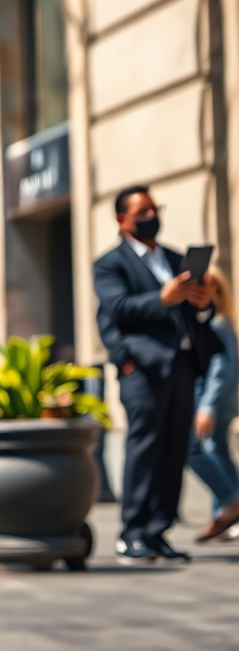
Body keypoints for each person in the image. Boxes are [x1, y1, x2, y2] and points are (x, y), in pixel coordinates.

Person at [94, 185, 220, 563]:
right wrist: (162, 300)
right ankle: (132, 533)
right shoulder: (110, 264)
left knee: (173, 450)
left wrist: (203, 304)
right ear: (122, 220)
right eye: (142, 212)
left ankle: (157, 531)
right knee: (144, 449)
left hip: (182, 366)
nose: (151, 217)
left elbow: (197, 313)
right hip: (142, 370)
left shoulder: (175, 258)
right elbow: (117, 308)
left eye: (154, 209)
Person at [190, 268, 239, 541]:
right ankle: (224, 512)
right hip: (222, 399)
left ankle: (230, 503)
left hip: (215, 400)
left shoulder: (218, 322)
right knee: (218, 450)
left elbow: (222, 367)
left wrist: (207, 405)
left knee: (200, 449)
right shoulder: (221, 320)